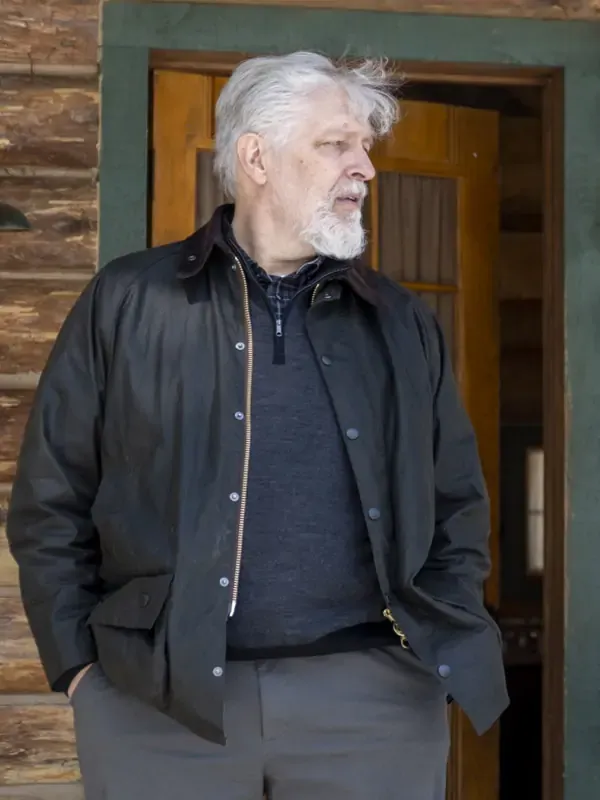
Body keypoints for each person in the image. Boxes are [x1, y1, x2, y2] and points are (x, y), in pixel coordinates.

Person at [6, 51, 508, 800]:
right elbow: (52, 497)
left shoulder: (401, 322)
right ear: (256, 157)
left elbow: (456, 504)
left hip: (373, 703)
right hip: (154, 703)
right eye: (336, 144)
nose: (365, 167)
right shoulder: (130, 301)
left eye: (365, 146)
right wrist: (81, 669)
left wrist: (427, 653)